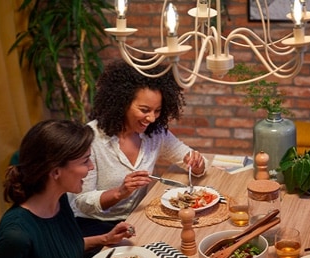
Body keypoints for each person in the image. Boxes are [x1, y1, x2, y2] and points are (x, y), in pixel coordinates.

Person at [68, 60, 207, 237]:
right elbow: (81, 201)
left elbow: (193, 161)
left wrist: (197, 164)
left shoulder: (154, 134)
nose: (151, 118)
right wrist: (119, 192)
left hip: (135, 218)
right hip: (93, 225)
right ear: (122, 102)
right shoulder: (91, 138)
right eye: (144, 110)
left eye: (157, 110)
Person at [0, 119, 136, 258]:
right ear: (55, 172)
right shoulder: (16, 235)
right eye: (85, 161)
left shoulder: (60, 201)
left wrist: (105, 239)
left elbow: (62, 248)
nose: (91, 167)